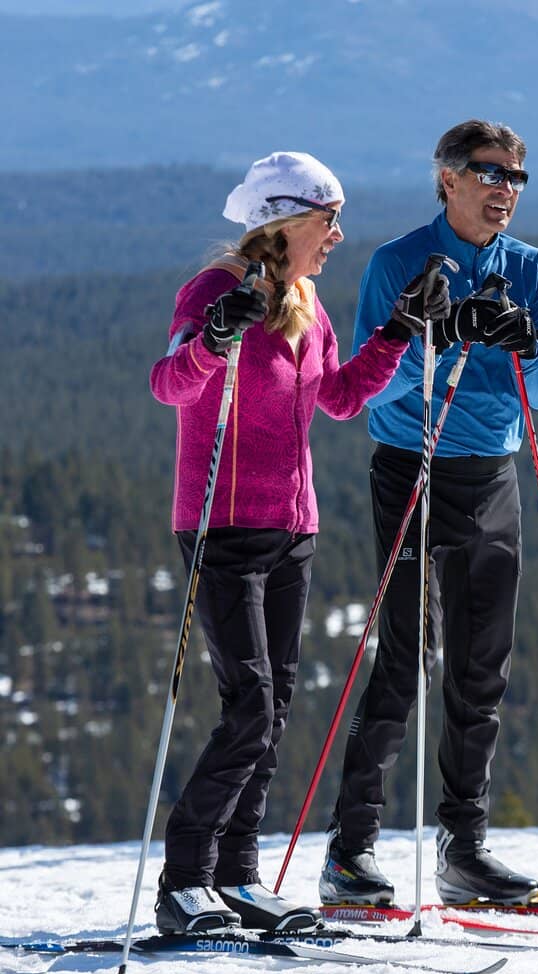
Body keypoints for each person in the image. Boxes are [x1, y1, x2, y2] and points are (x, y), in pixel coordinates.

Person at [149, 151, 450, 934]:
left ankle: (238, 876)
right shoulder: (214, 292)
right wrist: (212, 340)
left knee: (273, 709)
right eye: (328, 220)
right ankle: (185, 880)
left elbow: (340, 398)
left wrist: (397, 330)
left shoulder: (307, 304)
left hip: (292, 529)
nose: (338, 236)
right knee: (249, 705)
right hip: (220, 524)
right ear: (283, 223)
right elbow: (170, 384)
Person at [319, 120, 538, 909]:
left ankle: (463, 850)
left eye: (515, 177)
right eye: (488, 173)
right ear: (447, 178)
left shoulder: (529, 268)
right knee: (404, 660)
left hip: (490, 476)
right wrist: (436, 335)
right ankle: (350, 851)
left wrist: (523, 346)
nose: (504, 190)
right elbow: (371, 386)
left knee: (479, 668)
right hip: (410, 468)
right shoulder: (400, 262)